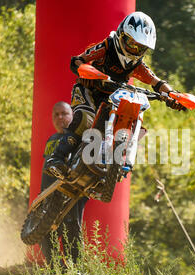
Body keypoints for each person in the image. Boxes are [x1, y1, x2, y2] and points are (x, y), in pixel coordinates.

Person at [45, 11, 186, 177]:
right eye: (131, 43)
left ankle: (111, 167)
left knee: (130, 120)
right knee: (84, 117)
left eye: (140, 48)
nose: (134, 50)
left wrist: (174, 96)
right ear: (121, 35)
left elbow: (157, 82)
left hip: (111, 99)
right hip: (88, 90)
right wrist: (86, 71)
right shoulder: (107, 46)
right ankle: (56, 158)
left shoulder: (137, 65)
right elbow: (78, 59)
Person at [39, 101, 88, 267]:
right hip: (50, 194)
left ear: (72, 116)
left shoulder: (78, 138)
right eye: (56, 114)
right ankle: (55, 269)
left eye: (64, 114)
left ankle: (75, 272)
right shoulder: (52, 139)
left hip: (71, 192)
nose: (60, 117)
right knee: (43, 231)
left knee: (71, 227)